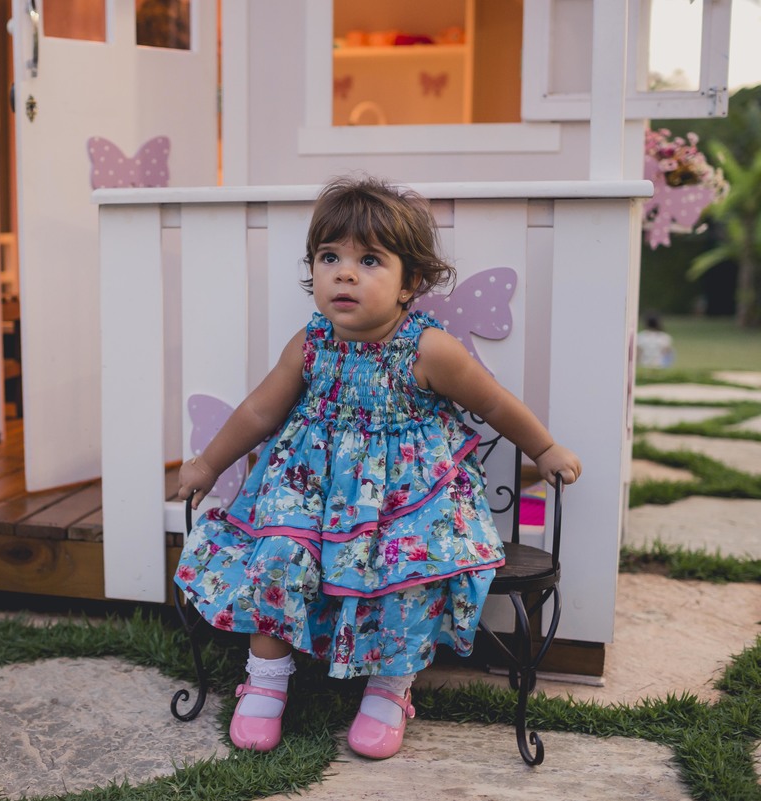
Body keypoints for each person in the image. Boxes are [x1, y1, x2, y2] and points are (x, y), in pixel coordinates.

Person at [173, 176, 582, 759]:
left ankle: (390, 688)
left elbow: (494, 404)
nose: (344, 274)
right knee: (278, 553)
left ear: (409, 282)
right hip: (310, 490)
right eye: (329, 257)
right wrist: (209, 463)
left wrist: (544, 449)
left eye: (369, 261)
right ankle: (265, 679)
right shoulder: (311, 343)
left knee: (405, 571)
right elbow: (261, 410)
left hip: (407, 494)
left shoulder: (428, 349)